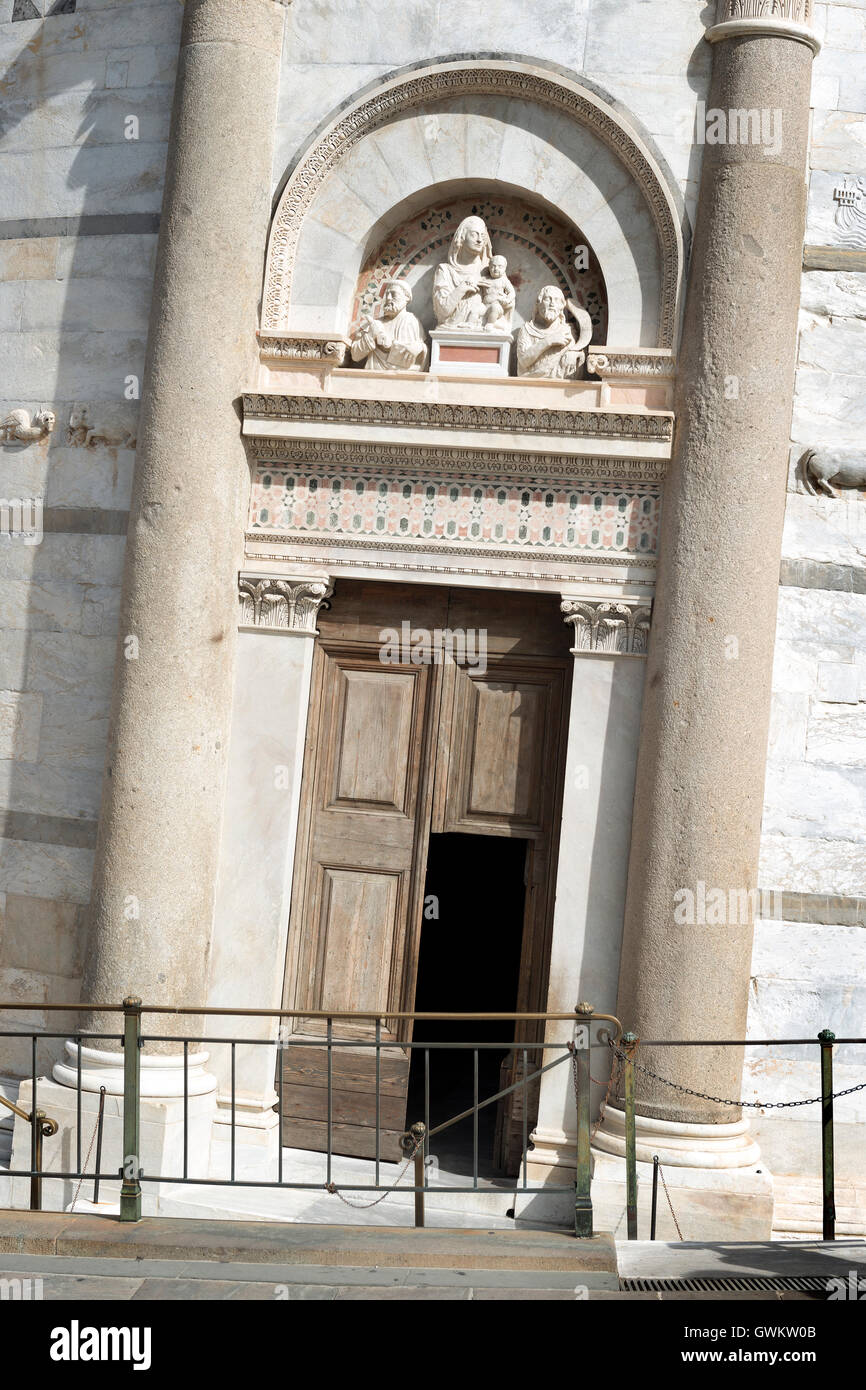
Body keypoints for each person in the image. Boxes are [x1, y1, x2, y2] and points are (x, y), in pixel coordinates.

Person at [515, 285, 593, 379]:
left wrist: (574, 353)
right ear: (539, 304)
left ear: (561, 306)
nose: (552, 304)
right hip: (530, 383)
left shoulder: (568, 331)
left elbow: (577, 351)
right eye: (548, 299)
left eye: (556, 300)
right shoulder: (527, 330)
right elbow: (524, 360)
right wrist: (548, 341)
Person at [349, 279, 427, 372]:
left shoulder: (411, 321)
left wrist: (390, 346)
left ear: (406, 298)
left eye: (394, 294)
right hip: (372, 378)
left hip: (401, 380)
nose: (388, 298)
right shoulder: (375, 323)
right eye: (387, 294)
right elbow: (355, 355)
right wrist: (371, 335)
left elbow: (418, 359)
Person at [432, 215, 492, 329]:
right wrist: (463, 287)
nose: (479, 240)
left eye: (483, 236)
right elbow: (442, 312)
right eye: (474, 234)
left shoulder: (489, 271)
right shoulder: (445, 271)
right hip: (448, 335)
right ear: (462, 237)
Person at [481, 255, 516, 332]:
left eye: (500, 267)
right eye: (493, 266)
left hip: (497, 306)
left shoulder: (504, 280)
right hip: (485, 305)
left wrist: (507, 299)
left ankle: (490, 324)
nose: (496, 269)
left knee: (494, 308)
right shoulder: (485, 279)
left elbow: (512, 292)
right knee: (476, 309)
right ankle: (470, 324)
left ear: (504, 268)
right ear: (489, 267)